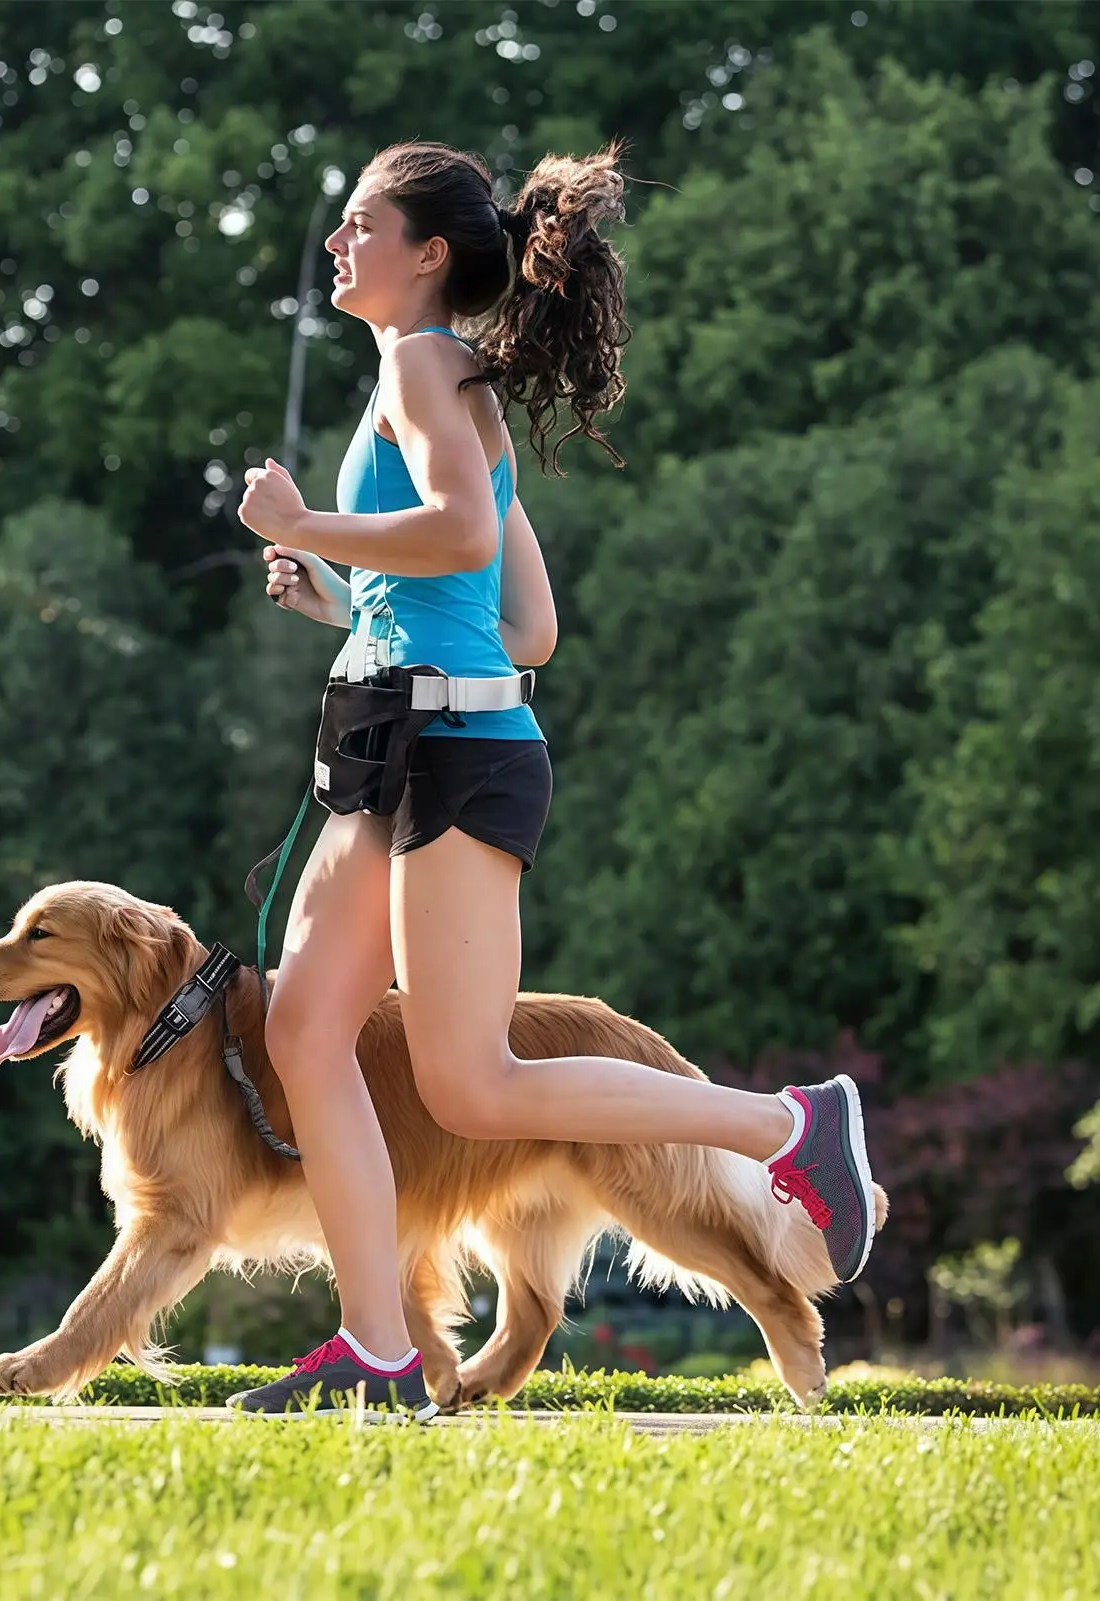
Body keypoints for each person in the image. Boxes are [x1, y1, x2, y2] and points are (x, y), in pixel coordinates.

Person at [231, 140, 877, 1418]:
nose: (335, 244)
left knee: (465, 1081)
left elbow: (464, 535)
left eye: (360, 223)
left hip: (452, 759)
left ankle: (786, 1126)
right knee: (306, 1027)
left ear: (426, 255)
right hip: (405, 737)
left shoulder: (424, 366)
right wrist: (344, 604)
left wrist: (305, 526)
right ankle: (373, 1343)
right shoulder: (433, 383)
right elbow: (520, 624)